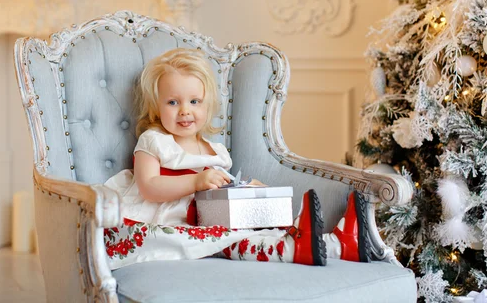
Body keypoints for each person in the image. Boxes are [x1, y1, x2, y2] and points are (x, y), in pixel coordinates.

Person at [104, 48, 372, 269]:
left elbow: (223, 186)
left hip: (210, 217)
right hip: (167, 222)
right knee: (227, 240)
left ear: (208, 105)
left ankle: (340, 244)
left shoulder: (215, 151)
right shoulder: (154, 140)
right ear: (156, 106)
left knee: (250, 230)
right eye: (173, 102)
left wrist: (248, 189)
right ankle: (292, 249)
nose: (185, 111)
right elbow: (149, 186)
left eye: (194, 101)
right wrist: (197, 181)